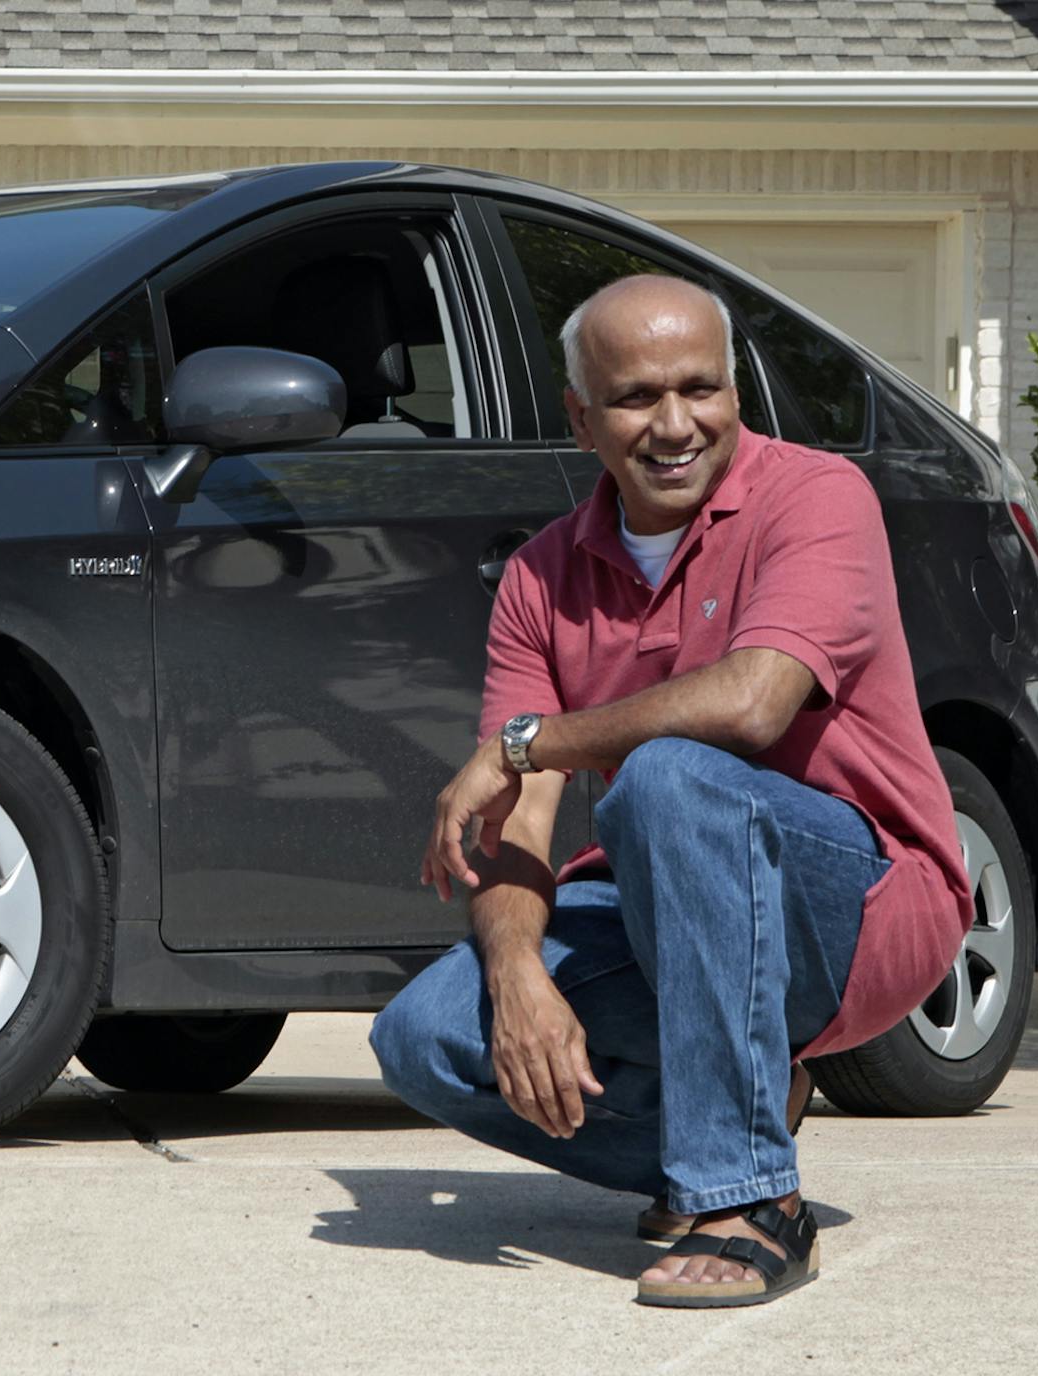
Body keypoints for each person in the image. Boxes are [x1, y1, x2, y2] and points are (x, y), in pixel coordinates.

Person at [368, 274, 971, 1308]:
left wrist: (524, 741)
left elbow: (752, 705)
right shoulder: (541, 578)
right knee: (427, 1035)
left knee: (667, 775)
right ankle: (726, 1119)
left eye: (702, 386)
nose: (678, 422)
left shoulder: (817, 496)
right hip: (661, 910)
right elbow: (523, 820)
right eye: (639, 396)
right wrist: (515, 977)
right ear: (581, 417)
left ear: (736, 389)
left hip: (863, 901)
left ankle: (750, 1196)